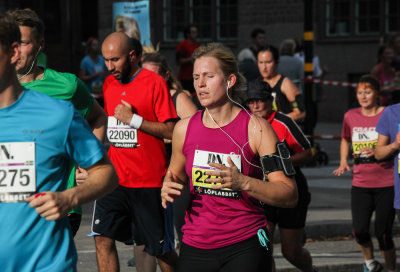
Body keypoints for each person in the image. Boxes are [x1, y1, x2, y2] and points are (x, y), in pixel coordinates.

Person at [161, 42, 298, 272]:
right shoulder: (183, 129)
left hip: (244, 242)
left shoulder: (257, 129)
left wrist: (243, 182)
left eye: (208, 76)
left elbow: (289, 193)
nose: (200, 84)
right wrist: (167, 186)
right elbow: (174, 176)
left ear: (230, 80)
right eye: (196, 77)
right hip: (196, 243)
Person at [0, 12, 118, 271]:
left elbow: (106, 171)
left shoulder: (58, 109)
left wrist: (71, 195)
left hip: (46, 259)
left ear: (13, 52)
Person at [93, 32, 178, 272]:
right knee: (102, 238)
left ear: (132, 56)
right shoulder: (109, 83)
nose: (109, 66)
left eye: (115, 60)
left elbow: (171, 131)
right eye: (106, 60)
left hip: (148, 182)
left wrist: (134, 120)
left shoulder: (154, 83)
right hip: (115, 179)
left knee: (159, 249)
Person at [246, 80, 314, 272]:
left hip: (289, 189)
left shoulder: (284, 122)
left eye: (260, 100)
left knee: (291, 252)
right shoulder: (246, 124)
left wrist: (281, 162)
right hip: (263, 193)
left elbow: (308, 153)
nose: (256, 105)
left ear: (270, 101)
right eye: (251, 101)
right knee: (263, 250)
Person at [333, 75, 396, 272]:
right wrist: (343, 160)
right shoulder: (350, 116)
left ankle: (392, 268)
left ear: (377, 94)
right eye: (360, 92)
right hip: (361, 183)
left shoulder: (389, 114)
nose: (363, 96)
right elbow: (345, 138)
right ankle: (370, 263)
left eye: (367, 92)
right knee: (359, 230)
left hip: (387, 181)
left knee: (383, 233)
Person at [142, 52, 197, 246]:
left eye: (154, 75)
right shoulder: (142, 100)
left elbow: (199, 133)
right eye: (144, 75)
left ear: (165, 75)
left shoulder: (178, 98)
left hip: (178, 175)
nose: (149, 81)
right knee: (150, 237)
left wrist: (167, 136)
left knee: (184, 231)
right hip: (149, 174)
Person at [256, 45, 306, 122]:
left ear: (277, 62)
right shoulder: (256, 83)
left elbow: (300, 112)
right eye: (261, 62)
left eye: (268, 62)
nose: (264, 67)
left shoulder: (285, 83)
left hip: (281, 131)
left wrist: (276, 121)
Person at [176, 25, 199, 95]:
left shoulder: (197, 44)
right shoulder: (182, 44)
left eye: (196, 32)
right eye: (193, 33)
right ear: (188, 34)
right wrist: (190, 59)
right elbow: (178, 60)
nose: (196, 35)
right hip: (184, 77)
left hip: (195, 76)